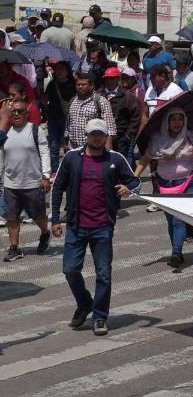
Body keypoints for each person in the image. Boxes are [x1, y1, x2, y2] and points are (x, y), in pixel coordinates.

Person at [50, 118, 139, 336]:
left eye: (101, 134)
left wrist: (128, 188)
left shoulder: (115, 159)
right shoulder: (72, 158)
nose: (97, 138)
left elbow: (136, 182)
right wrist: (54, 219)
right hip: (76, 225)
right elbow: (57, 187)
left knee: (104, 274)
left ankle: (100, 317)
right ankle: (84, 303)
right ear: (86, 136)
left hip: (102, 226)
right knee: (70, 270)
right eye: (93, 134)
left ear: (106, 136)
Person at [133, 108, 193, 267]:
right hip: (163, 183)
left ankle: (176, 252)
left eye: (180, 119)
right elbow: (145, 159)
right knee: (171, 220)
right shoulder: (157, 138)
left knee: (179, 219)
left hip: (188, 182)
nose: (177, 123)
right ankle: (176, 250)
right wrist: (134, 176)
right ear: (167, 121)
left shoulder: (191, 136)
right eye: (173, 119)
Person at [1, 99, 51, 261]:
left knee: (38, 216)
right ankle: (14, 248)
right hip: (10, 183)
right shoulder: (5, 132)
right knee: (11, 217)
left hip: (33, 182)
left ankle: (45, 233)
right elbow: (1, 157)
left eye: (20, 111)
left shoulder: (35, 130)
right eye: (13, 111)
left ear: (26, 113)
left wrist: (46, 176)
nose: (16, 114)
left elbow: (44, 153)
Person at [99, 67, 142, 167]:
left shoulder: (128, 96)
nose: (109, 81)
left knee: (120, 161)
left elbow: (135, 117)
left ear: (118, 79)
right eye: (107, 78)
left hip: (121, 136)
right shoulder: (98, 94)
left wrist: (128, 135)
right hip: (101, 134)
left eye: (112, 78)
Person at [65, 73, 116, 153]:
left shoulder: (100, 101)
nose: (80, 87)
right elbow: (68, 124)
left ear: (91, 86)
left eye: (83, 84)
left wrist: (108, 145)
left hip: (94, 149)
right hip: (73, 148)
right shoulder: (73, 101)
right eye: (78, 84)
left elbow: (110, 126)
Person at [42, 60, 77, 172]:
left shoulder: (74, 84)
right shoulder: (52, 84)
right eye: (57, 69)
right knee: (54, 145)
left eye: (62, 68)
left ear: (67, 71)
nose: (59, 71)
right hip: (53, 118)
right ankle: (55, 170)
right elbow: (45, 99)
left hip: (69, 119)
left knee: (68, 144)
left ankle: (68, 169)